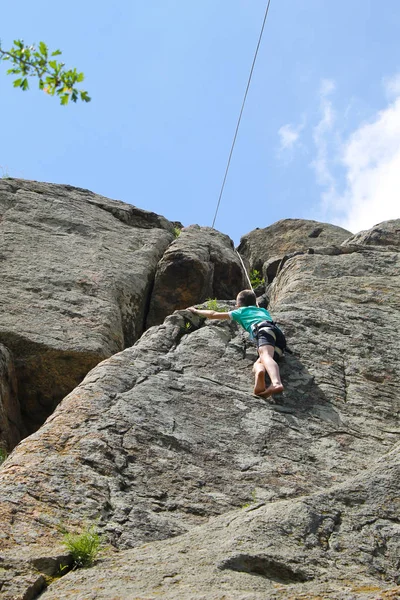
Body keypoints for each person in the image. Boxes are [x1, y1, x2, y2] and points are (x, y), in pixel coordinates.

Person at [188, 289, 285, 398]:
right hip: (278, 337)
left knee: (265, 355)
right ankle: (260, 373)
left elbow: (213, 314)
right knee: (259, 363)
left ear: (239, 304)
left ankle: (276, 383)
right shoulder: (263, 310)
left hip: (263, 330)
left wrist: (196, 311)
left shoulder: (240, 311)